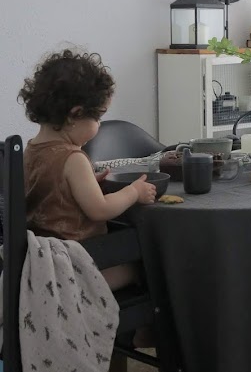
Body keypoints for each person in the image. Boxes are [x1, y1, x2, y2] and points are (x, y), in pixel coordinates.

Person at [18, 49, 156, 292]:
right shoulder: (73, 159)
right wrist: (134, 192)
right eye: (98, 118)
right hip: (78, 266)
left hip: (42, 263)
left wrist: (87, 184)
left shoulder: (31, 151)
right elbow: (100, 210)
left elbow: (52, 196)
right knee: (147, 265)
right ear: (76, 114)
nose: (99, 125)